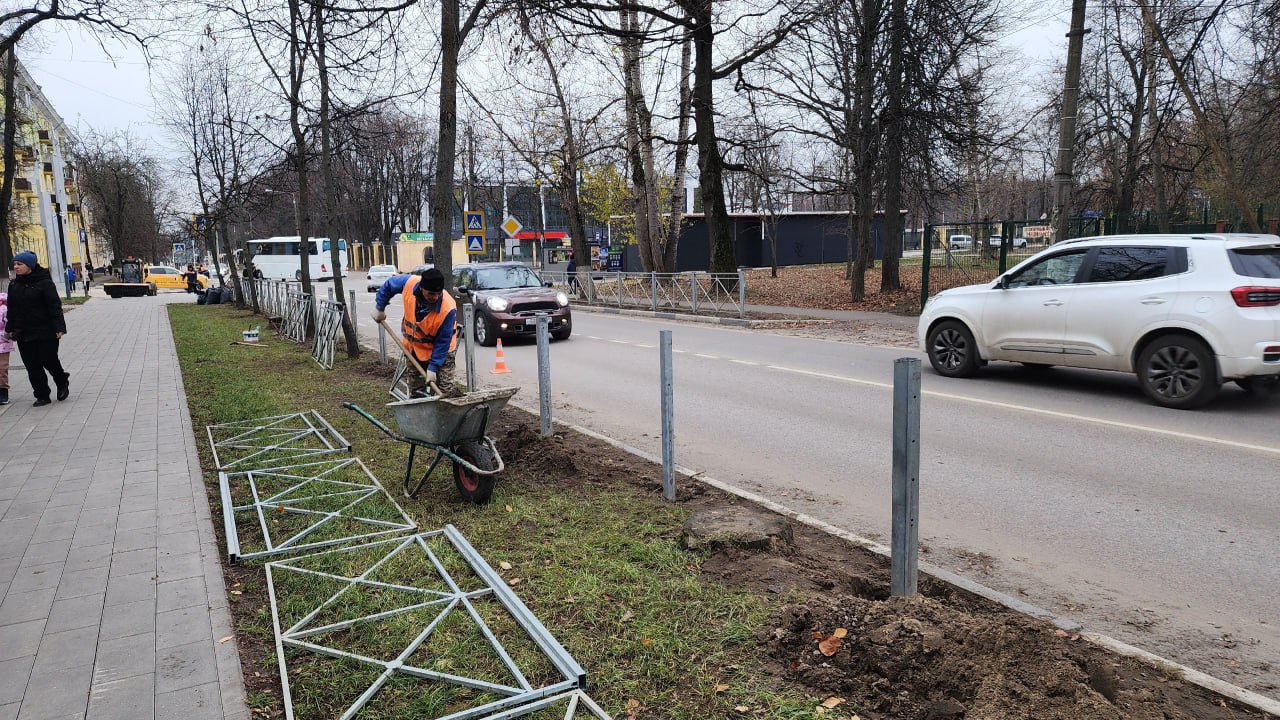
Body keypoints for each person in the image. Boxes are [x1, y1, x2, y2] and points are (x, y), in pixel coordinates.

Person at [371, 267, 457, 396]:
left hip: (442, 351)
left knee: (445, 391)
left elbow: (443, 341)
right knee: (416, 390)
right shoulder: (409, 283)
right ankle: (419, 411)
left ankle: (445, 413)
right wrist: (380, 307)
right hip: (413, 348)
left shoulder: (448, 308)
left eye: (438, 293)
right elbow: (389, 285)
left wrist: (433, 367)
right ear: (422, 288)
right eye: (431, 294)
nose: (436, 297)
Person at [7, 251, 69, 406]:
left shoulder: (44, 283)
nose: (16, 267)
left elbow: (54, 306)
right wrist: (10, 328)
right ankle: (42, 394)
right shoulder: (14, 284)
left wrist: (59, 327)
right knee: (32, 365)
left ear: (30, 265)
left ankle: (62, 381)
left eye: (20, 264)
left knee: (49, 359)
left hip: (45, 330)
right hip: (23, 332)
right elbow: (11, 308)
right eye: (15, 264)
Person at [0, 292, 11, 405]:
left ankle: (3, 391)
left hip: (2, 342)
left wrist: (7, 335)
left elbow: (9, 323)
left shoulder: (3, 308)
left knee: (2, 368)